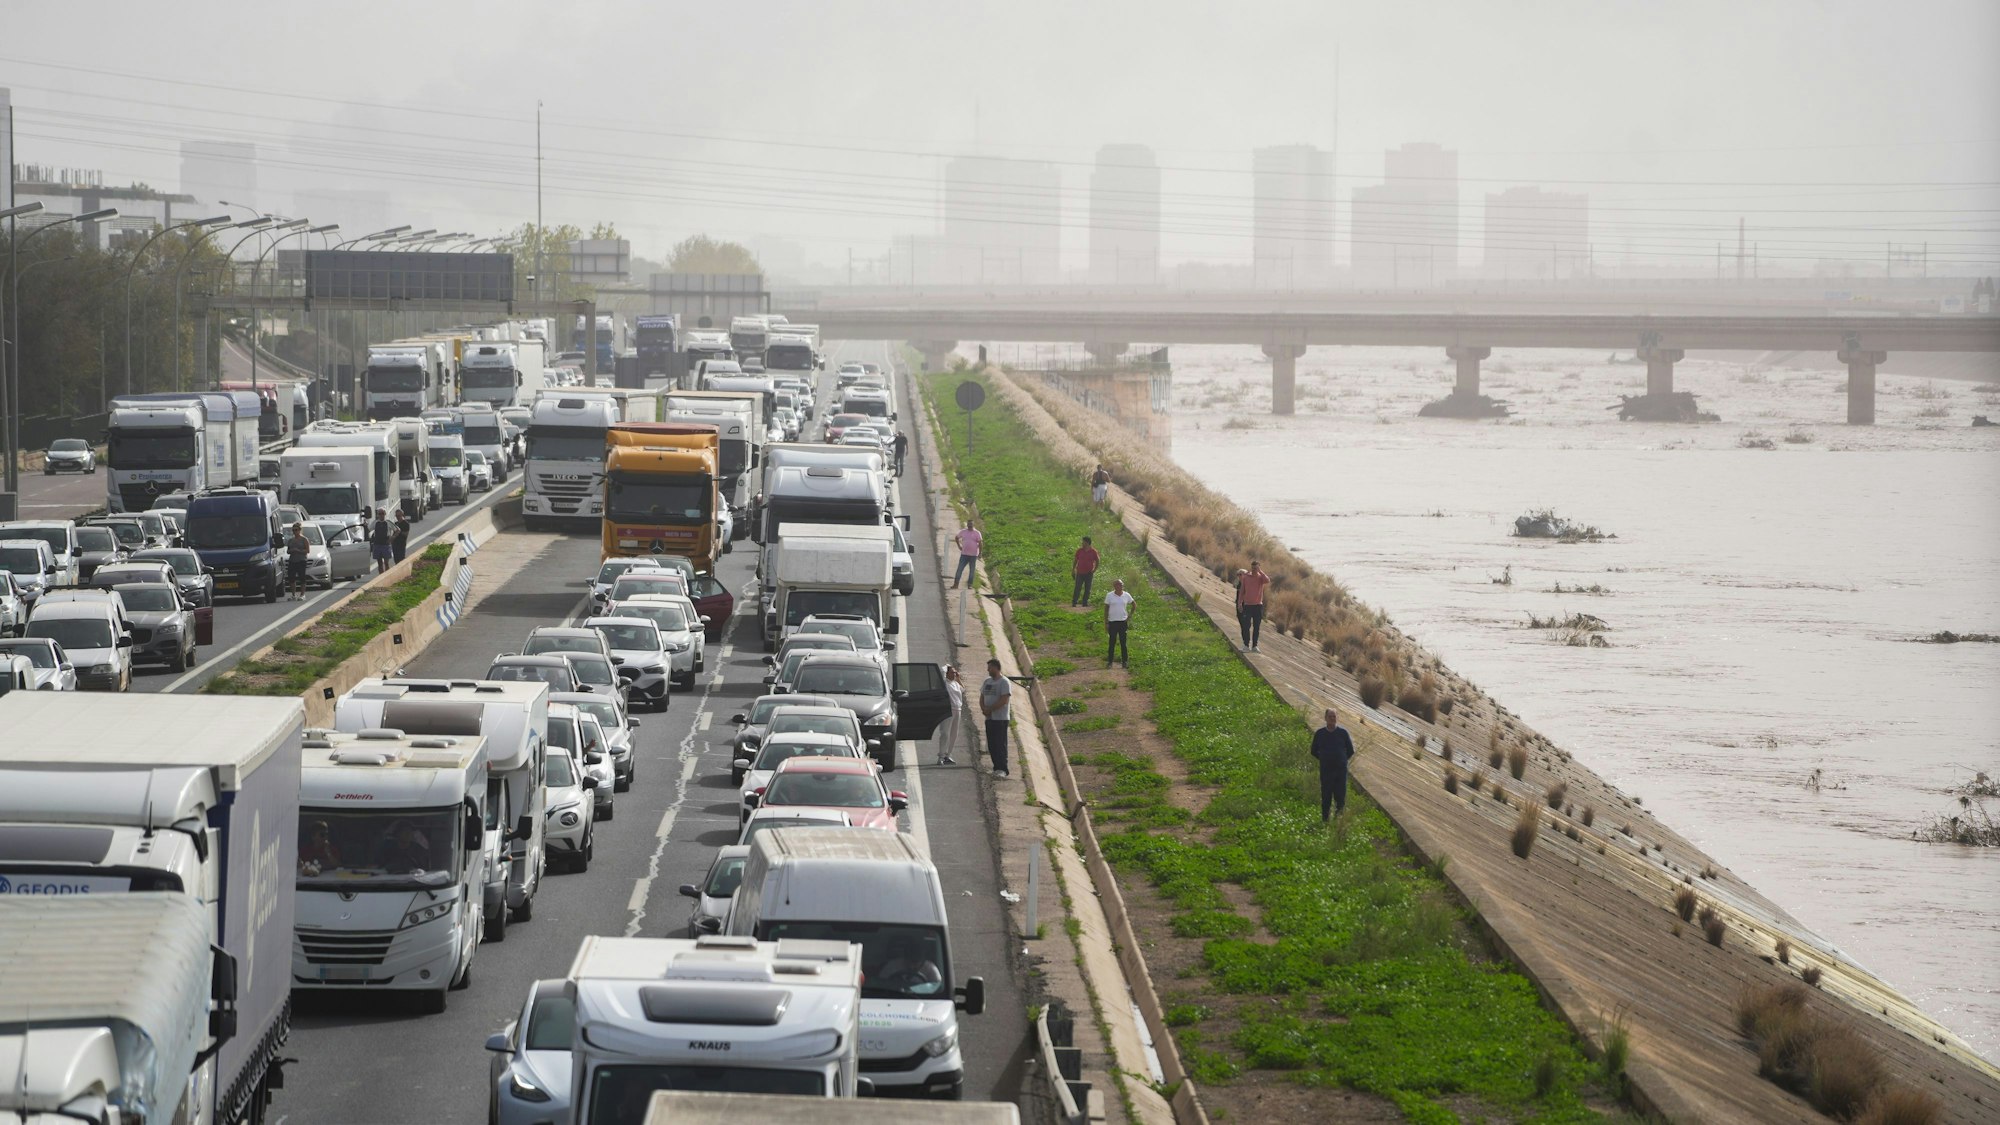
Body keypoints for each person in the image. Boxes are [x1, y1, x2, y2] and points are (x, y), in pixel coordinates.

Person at [1311, 708, 1357, 821]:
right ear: (1325, 718)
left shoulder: (1343, 733)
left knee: (1340, 796)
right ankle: (1325, 820)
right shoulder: (1320, 734)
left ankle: (1338, 820)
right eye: (1330, 717)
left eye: (1334, 716)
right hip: (1326, 771)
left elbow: (1350, 750)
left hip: (1340, 771)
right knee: (1326, 796)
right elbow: (1313, 751)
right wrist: (1324, 759)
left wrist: (1342, 761)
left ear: (1337, 718)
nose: (1332, 719)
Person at [876, 933, 944, 993]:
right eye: (909, 962)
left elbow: (937, 986)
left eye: (915, 963)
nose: (912, 966)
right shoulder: (891, 966)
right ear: (904, 958)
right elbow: (881, 984)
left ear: (923, 961)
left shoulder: (931, 969)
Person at [979, 658, 1012, 778]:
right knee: (992, 744)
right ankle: (996, 767)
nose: (988, 670)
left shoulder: (1004, 682)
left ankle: (1002, 769)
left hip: (1000, 719)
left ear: (996, 668)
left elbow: (1004, 700)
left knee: (1000, 744)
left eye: (990, 668)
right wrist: (984, 709)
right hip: (989, 719)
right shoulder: (987, 681)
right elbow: (982, 696)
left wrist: (991, 709)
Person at [1237, 561, 1272, 652]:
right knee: (1246, 626)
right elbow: (1242, 591)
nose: (1254, 570)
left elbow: (1267, 580)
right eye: (1253, 568)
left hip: (1258, 606)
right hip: (1247, 606)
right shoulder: (1246, 577)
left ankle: (1254, 646)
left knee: (1256, 627)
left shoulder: (1261, 578)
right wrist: (1240, 603)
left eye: (1256, 568)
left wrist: (1260, 571)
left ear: (1259, 568)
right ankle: (1246, 645)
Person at [936, 665, 966, 765]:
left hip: (957, 710)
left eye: (955, 672)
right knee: (945, 733)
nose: (954, 674)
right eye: (952, 672)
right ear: (947, 674)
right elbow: (942, 671)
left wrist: (958, 678)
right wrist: (947, 666)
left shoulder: (956, 684)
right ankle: (941, 756)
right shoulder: (944, 683)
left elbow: (963, 689)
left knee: (954, 734)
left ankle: (948, 755)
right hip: (948, 710)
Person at [1103, 579, 1134, 667]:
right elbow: (1106, 609)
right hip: (1112, 622)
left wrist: (1129, 615)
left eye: (1121, 585)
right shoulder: (1109, 595)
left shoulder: (1126, 595)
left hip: (1123, 622)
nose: (1120, 586)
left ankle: (1125, 661)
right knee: (1112, 642)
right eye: (1118, 585)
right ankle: (1110, 662)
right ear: (1114, 586)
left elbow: (1134, 604)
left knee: (1123, 643)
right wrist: (1106, 622)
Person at [951, 523, 983, 589]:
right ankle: (956, 584)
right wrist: (959, 546)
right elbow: (957, 537)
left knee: (972, 570)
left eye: (971, 524)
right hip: (964, 555)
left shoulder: (977, 533)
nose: (970, 526)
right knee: (959, 569)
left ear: (973, 525)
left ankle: (970, 585)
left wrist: (980, 553)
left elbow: (980, 543)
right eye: (969, 525)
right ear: (967, 525)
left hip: (973, 555)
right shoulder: (963, 531)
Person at [1071, 535, 1099, 607]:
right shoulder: (1079, 551)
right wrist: (1073, 569)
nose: (1082, 543)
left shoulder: (1093, 551)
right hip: (1080, 572)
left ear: (1087, 542)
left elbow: (1097, 561)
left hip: (1089, 573)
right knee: (1077, 588)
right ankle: (1074, 602)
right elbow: (1075, 560)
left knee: (1087, 589)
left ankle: (1085, 602)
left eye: (1083, 542)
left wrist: (1094, 570)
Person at [285, 523, 310, 600]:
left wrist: (298, 550)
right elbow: (288, 551)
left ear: (299, 530)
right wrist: (291, 550)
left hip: (301, 560)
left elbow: (307, 550)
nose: (294, 532)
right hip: (292, 560)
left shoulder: (304, 539)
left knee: (302, 577)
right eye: (293, 530)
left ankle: (302, 594)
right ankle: (293, 594)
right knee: (291, 578)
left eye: (296, 530)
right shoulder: (291, 540)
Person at [368, 508, 392, 574]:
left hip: (386, 545)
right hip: (377, 545)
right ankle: (381, 575)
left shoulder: (388, 522)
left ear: (385, 514)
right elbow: (368, 530)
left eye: (382, 513)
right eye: (379, 514)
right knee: (380, 563)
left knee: (386, 563)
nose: (381, 515)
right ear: (377, 515)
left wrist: (391, 538)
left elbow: (397, 530)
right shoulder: (375, 522)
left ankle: (387, 575)